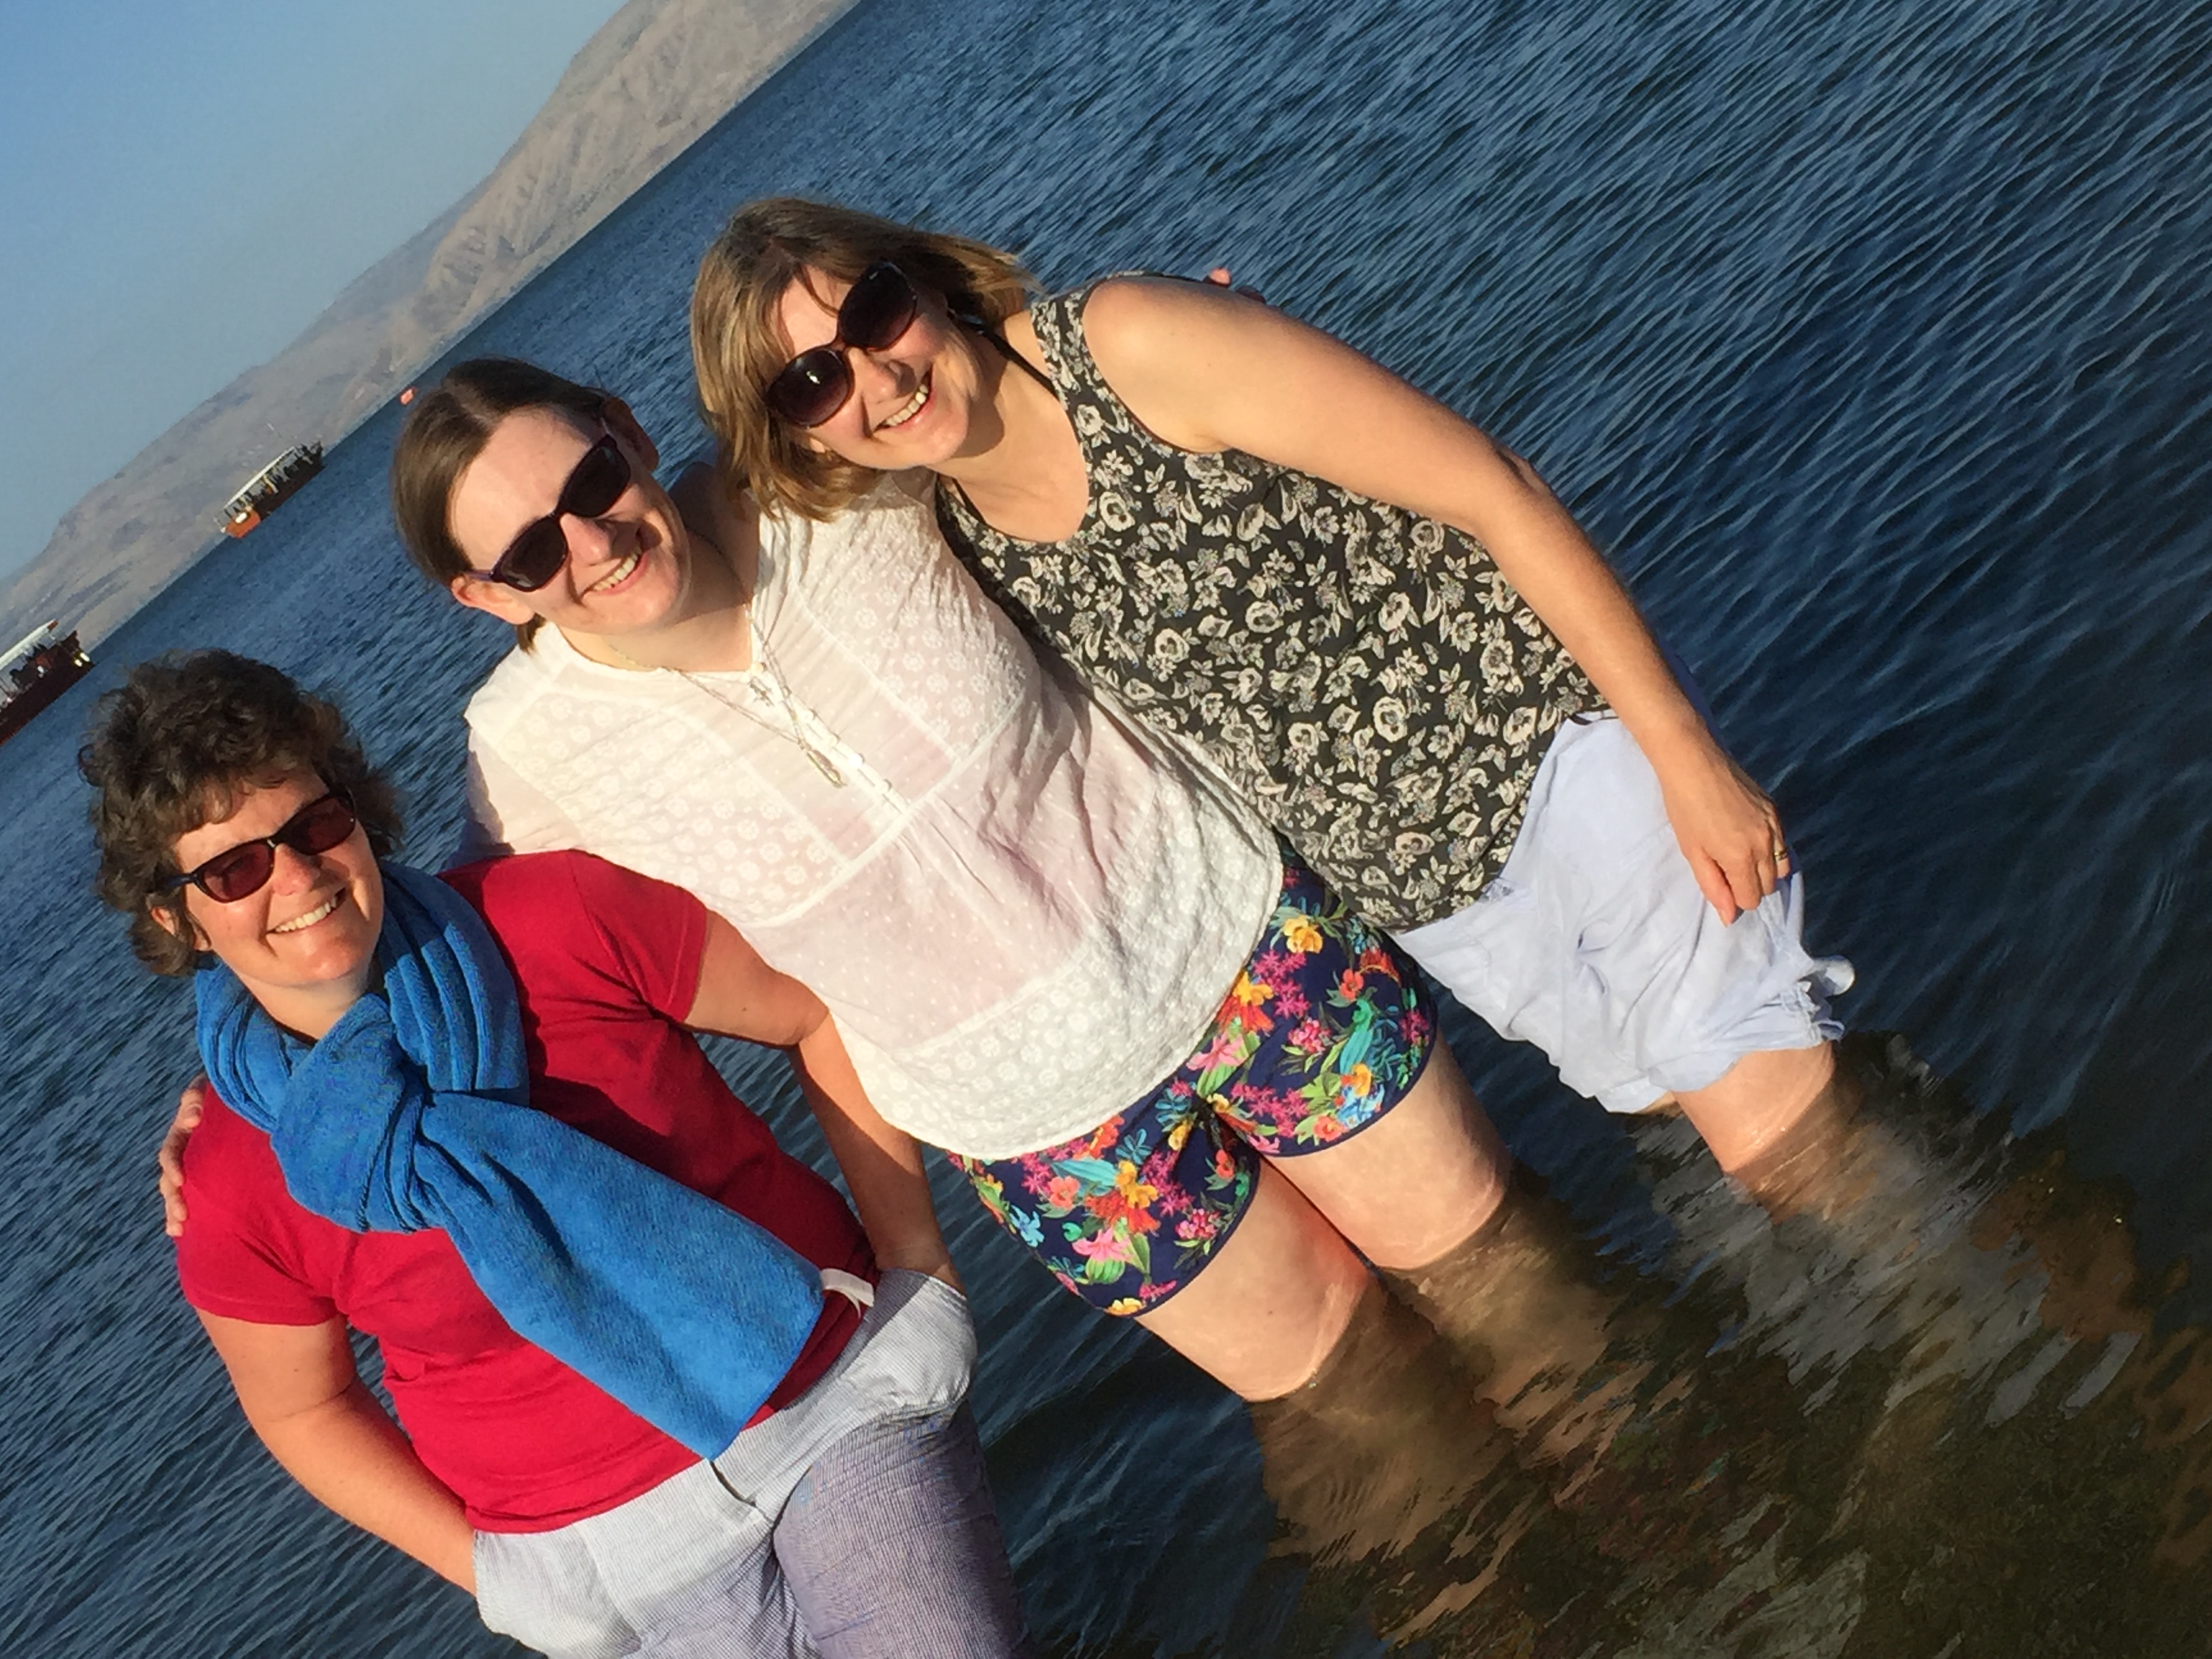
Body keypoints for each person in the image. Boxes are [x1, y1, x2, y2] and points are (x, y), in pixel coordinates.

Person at [367, 354, 1556, 1408]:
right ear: (488, 596)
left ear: (624, 428)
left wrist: (1207, 365)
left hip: (1240, 947)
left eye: (592, 483)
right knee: (1367, 1414)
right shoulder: (526, 753)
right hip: (1047, 1133)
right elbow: (431, 950)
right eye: (532, 552)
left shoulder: (821, 486)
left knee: (1526, 1303)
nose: (593, 542)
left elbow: (1026, 414)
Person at [687, 199, 1855, 1189]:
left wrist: (1684, 759)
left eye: (876, 312)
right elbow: (726, 522)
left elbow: (1495, 488)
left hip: (1559, 761)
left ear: (927, 283)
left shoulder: (1129, 344)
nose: (880, 374)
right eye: (814, 381)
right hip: (1439, 906)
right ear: (800, 434)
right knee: (1728, 1155)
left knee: (1798, 1168)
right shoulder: (958, 540)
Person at [87, 650, 1030, 1659]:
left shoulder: (547, 919)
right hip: (607, 1561)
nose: (299, 876)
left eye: (315, 824)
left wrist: (917, 1258)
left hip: (827, 1397)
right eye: (234, 871)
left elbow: (814, 1011)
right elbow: (304, 1407)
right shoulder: (231, 1178)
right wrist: (499, 1579)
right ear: (177, 916)